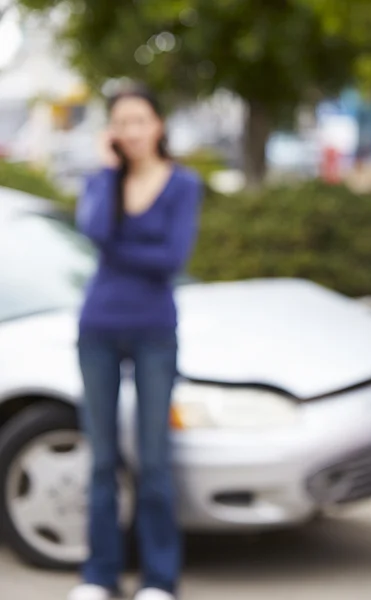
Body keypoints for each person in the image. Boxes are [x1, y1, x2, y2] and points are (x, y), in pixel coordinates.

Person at [68, 85, 203, 600]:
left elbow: (172, 259)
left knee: (154, 459)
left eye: (139, 120)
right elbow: (94, 230)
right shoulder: (103, 181)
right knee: (102, 459)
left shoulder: (183, 184)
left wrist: (119, 246)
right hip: (98, 326)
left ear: (158, 125)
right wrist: (106, 171)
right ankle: (99, 574)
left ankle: (158, 579)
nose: (130, 131)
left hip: (154, 331)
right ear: (111, 131)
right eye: (120, 122)